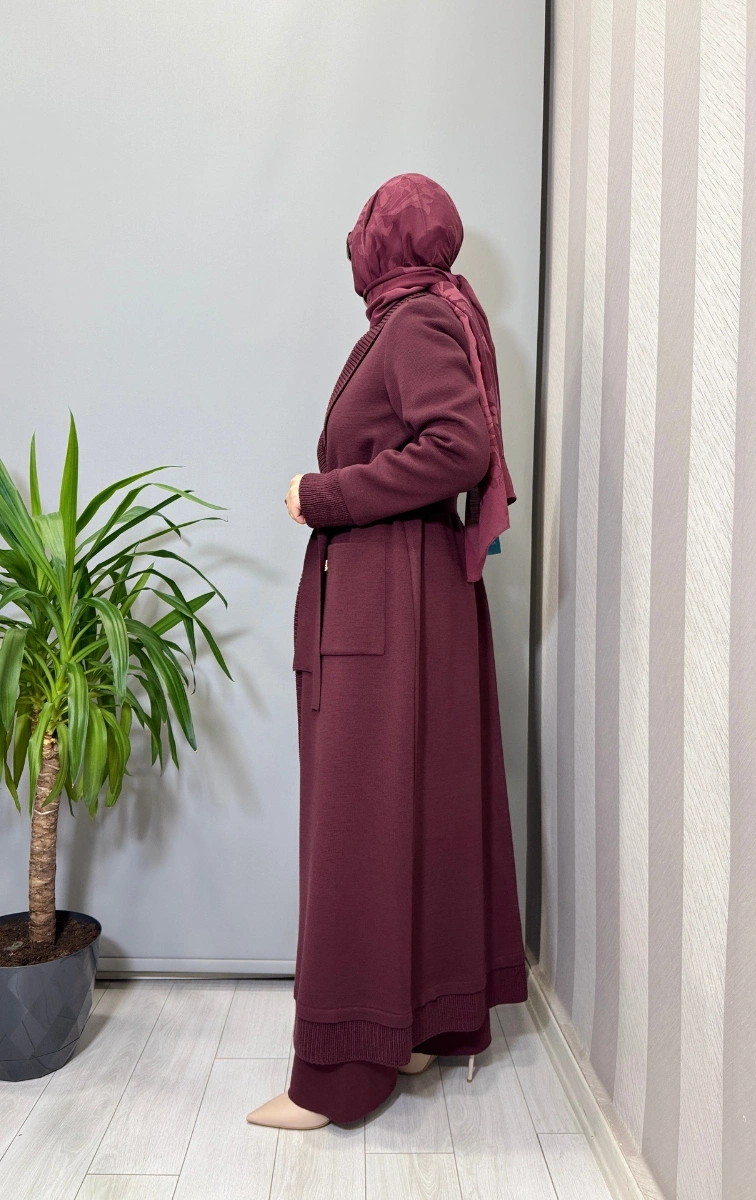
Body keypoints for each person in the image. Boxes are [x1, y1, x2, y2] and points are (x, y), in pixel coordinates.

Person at [247, 173, 527, 1130]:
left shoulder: (415, 322)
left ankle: (341, 1073)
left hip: (391, 598)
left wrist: (323, 494)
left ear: (386, 240)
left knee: (361, 824)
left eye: (365, 224)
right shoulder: (421, 317)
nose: (353, 238)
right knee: (405, 811)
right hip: (403, 597)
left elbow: (459, 448)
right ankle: (415, 1026)